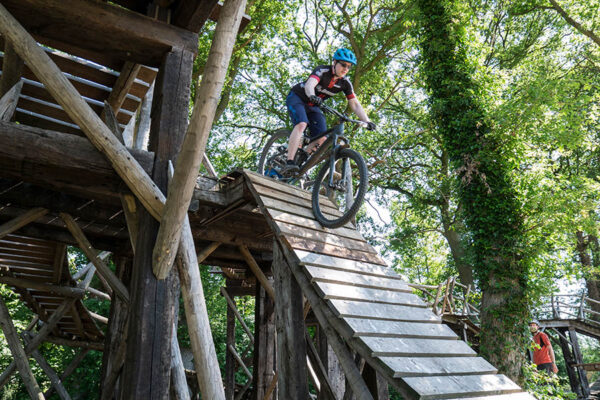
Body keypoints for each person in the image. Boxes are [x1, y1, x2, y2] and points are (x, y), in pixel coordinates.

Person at [281, 48, 376, 176]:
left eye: (349, 67)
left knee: (322, 139)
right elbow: (310, 85)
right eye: (343, 65)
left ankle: (301, 160)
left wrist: (367, 121)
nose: (346, 69)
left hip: (314, 105)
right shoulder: (322, 71)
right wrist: (312, 95)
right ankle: (290, 161)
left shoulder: (345, 83)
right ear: (334, 62)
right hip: (298, 98)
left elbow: (354, 104)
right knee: (302, 124)